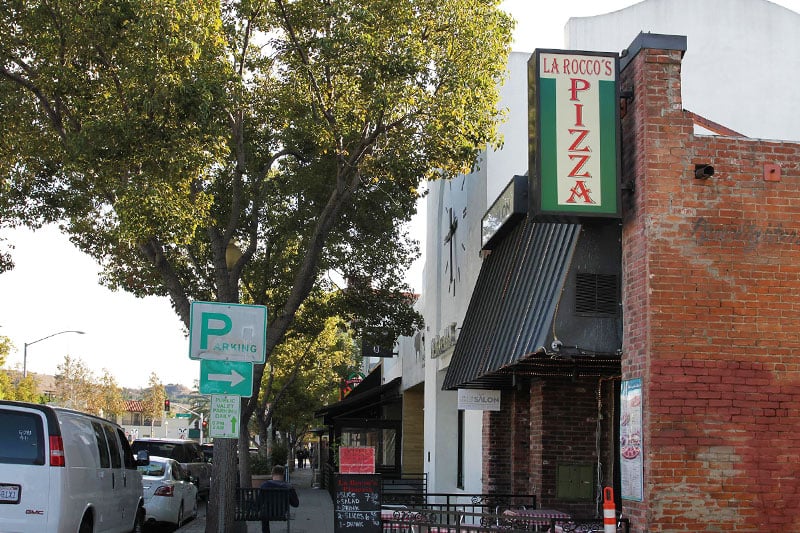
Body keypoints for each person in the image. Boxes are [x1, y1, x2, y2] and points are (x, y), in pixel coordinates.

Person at [259, 464, 299, 533]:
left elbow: (259, 501)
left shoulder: (264, 485)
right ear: (283, 475)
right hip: (282, 513)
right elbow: (296, 504)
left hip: (267, 513)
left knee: (264, 514)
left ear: (272, 474)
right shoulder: (288, 486)